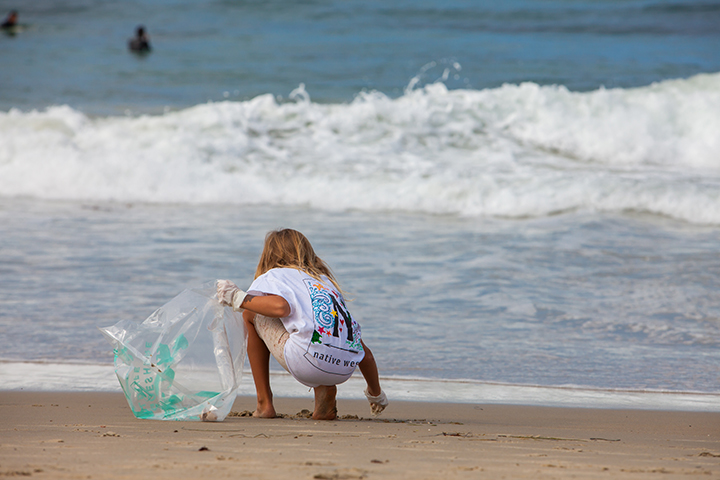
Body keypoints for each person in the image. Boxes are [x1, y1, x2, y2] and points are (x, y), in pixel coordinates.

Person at [217, 229, 388, 420]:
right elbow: (365, 354)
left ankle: (264, 403)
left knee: (250, 313)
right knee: (319, 331)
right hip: (344, 367)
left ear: (268, 255)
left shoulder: (274, 275)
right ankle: (324, 389)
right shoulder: (325, 283)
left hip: (308, 361)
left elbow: (281, 307)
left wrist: (237, 297)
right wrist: (376, 394)